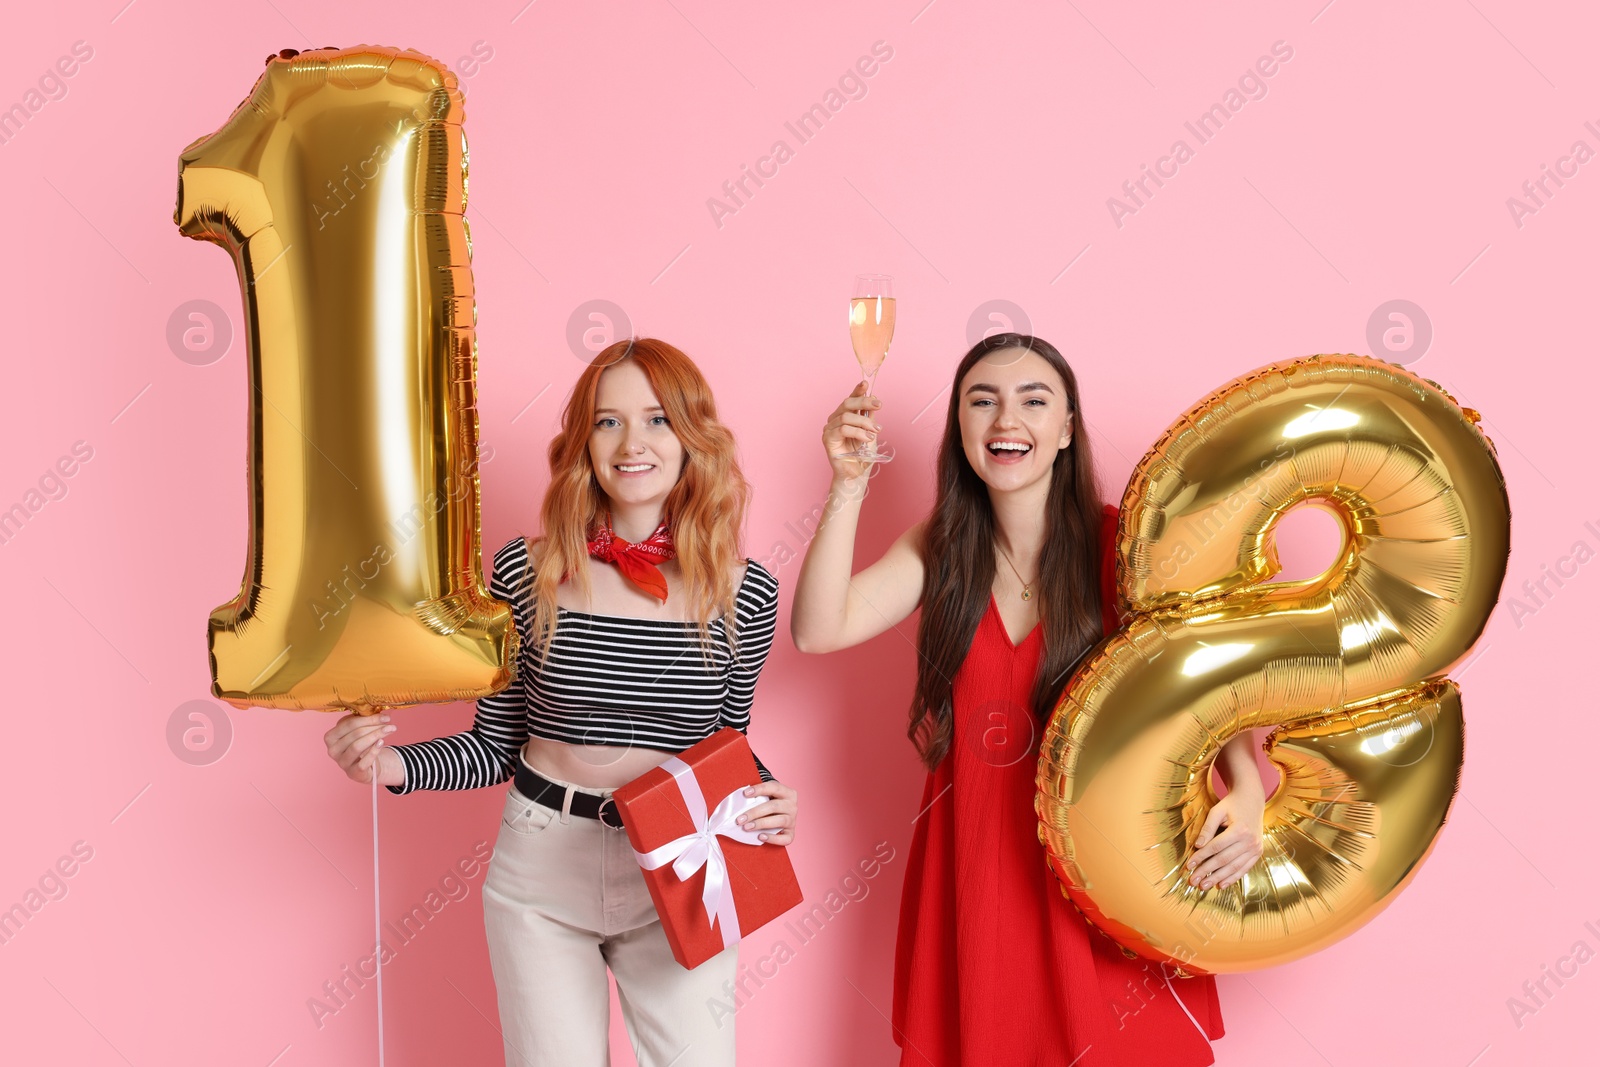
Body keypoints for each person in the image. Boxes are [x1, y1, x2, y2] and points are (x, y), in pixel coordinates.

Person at [322, 338, 798, 1067]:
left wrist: (766, 796)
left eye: (658, 419)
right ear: (584, 442)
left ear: (693, 436)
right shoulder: (526, 570)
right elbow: (495, 744)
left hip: (682, 863)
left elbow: (727, 742)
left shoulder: (747, 591)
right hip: (543, 864)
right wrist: (387, 764)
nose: (632, 442)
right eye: (608, 421)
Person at [791, 333, 1263, 1066]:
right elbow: (819, 629)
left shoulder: (1127, 547)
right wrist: (848, 485)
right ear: (960, 428)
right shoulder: (939, 548)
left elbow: (1206, 678)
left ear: (1068, 427)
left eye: (1033, 400)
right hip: (977, 869)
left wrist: (1250, 787)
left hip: (1105, 875)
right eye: (982, 400)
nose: (1005, 419)